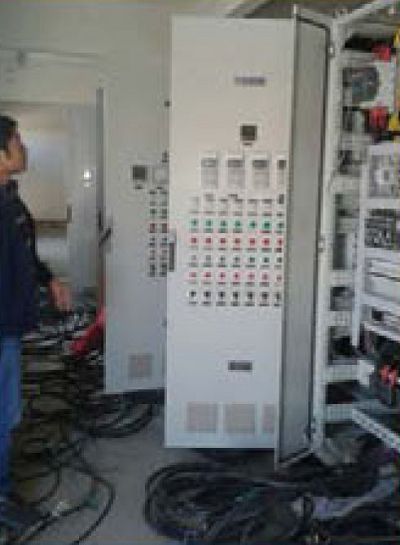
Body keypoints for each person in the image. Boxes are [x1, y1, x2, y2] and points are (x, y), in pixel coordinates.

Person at [0, 114, 71, 498]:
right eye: (16, 141)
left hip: (11, 325)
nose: (23, 148)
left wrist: (49, 280)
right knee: (2, 414)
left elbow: (26, 254)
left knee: (8, 412)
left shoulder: (11, 198)